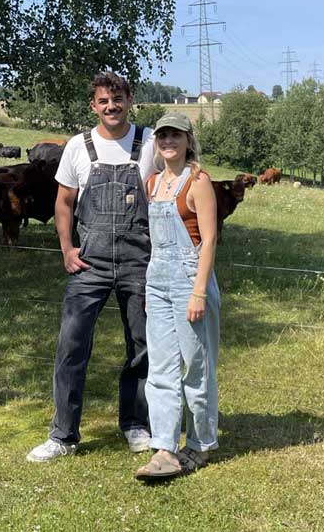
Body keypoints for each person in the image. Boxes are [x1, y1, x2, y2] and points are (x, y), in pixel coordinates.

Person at [27, 71, 156, 462]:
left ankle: (136, 424)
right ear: (93, 105)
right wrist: (67, 249)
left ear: (129, 100)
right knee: (71, 345)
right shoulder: (78, 147)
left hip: (140, 261)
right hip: (90, 263)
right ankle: (63, 435)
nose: (111, 107)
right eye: (103, 101)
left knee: (142, 347)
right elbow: (63, 202)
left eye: (117, 100)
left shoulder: (150, 142)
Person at [134, 112, 220, 480]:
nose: (168, 141)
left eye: (176, 135)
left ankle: (200, 444)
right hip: (158, 282)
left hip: (190, 281)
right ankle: (165, 448)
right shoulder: (152, 183)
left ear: (188, 141)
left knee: (196, 366)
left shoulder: (198, 181)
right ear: (156, 141)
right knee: (161, 368)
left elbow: (210, 239)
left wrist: (198, 292)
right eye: (163, 135)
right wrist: (150, 288)